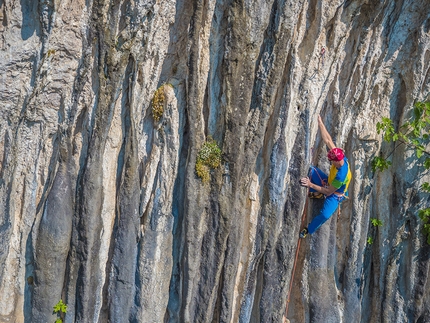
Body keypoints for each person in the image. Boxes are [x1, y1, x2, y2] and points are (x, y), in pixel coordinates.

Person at [299, 115, 352, 238]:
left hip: (335, 194)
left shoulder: (341, 176)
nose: (330, 162)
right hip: (329, 183)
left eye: (331, 161)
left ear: (336, 161)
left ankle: (309, 229)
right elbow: (328, 140)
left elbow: (328, 192)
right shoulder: (340, 156)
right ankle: (316, 193)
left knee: (324, 215)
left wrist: (310, 184)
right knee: (311, 170)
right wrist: (320, 123)